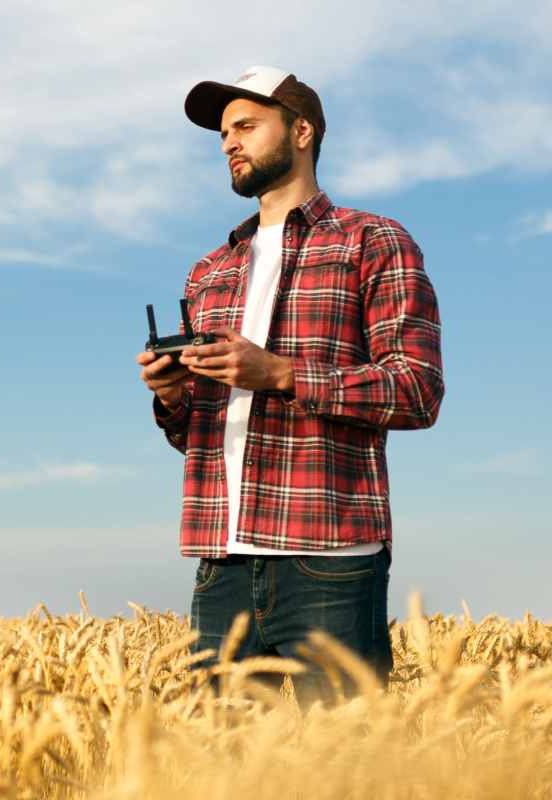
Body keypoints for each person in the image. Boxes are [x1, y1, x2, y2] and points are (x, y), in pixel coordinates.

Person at [135, 66, 444, 707]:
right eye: (224, 133)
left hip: (329, 559)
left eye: (247, 126)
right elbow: (197, 435)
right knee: (220, 757)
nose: (229, 143)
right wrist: (170, 399)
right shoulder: (208, 271)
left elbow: (418, 389)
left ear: (302, 131)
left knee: (350, 753)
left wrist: (280, 373)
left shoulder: (374, 241)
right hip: (220, 560)